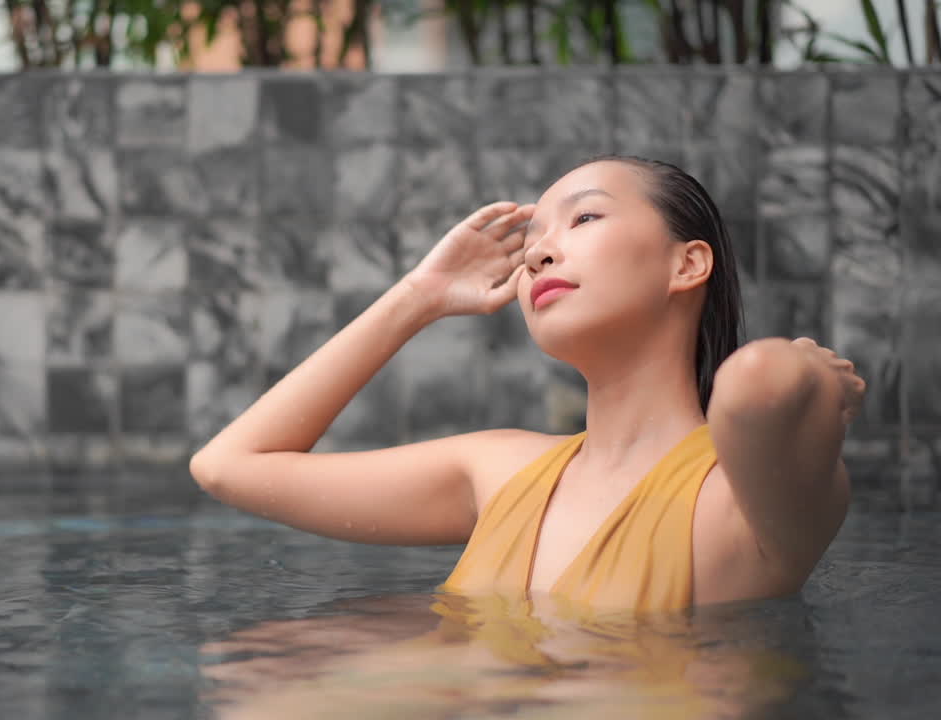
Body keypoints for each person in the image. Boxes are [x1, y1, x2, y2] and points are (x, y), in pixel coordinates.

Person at [190, 155, 866, 611]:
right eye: (533, 238)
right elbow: (226, 467)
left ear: (688, 263)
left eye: (585, 218)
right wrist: (418, 297)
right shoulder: (498, 470)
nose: (539, 251)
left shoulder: (742, 502)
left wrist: (816, 377)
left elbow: (756, 386)